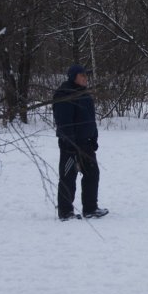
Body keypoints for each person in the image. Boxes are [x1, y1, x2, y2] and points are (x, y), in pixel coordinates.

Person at [52, 64, 108, 221]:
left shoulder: (84, 95)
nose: (85, 78)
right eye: (82, 75)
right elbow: (64, 122)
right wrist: (70, 144)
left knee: (92, 174)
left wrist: (93, 138)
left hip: (86, 143)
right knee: (68, 177)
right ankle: (65, 212)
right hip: (70, 145)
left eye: (86, 75)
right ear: (73, 77)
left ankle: (90, 209)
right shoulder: (65, 95)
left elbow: (90, 119)